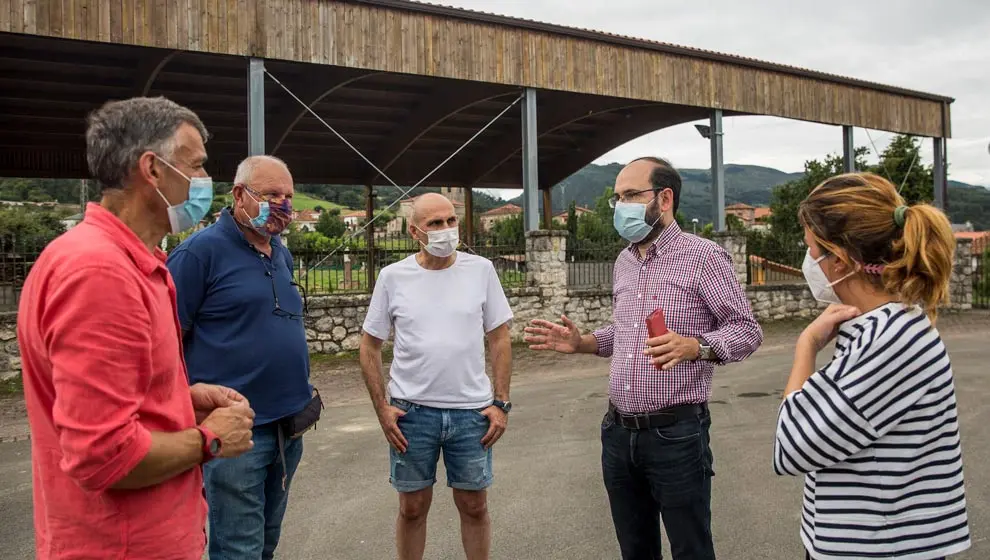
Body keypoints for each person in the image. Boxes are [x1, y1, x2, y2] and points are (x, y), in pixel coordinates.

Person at [16, 96, 256, 560]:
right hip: (123, 544)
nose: (207, 181)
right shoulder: (100, 273)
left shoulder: (123, 260)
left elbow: (101, 402)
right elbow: (104, 455)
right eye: (198, 165)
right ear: (152, 170)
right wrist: (211, 438)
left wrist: (179, 401)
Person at [523, 157, 763, 560]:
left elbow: (747, 329)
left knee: (691, 549)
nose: (621, 206)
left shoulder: (703, 258)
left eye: (632, 195)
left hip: (676, 434)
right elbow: (626, 334)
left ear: (665, 199)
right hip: (617, 434)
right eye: (618, 198)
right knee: (635, 549)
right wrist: (582, 343)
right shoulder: (625, 261)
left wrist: (696, 347)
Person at [773, 172, 971, 560]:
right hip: (869, 542)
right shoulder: (881, 327)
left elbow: (792, 446)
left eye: (811, 247)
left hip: (880, 548)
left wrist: (806, 347)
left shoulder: (890, 340)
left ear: (840, 259)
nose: (808, 258)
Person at [166, 154, 316, 560]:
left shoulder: (279, 251)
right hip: (236, 435)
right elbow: (163, 344)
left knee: (265, 541)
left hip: (288, 426)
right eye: (271, 194)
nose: (283, 203)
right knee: (238, 550)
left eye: (288, 195)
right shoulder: (198, 254)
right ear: (239, 194)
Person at [359, 193, 514, 560]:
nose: (447, 230)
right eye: (435, 224)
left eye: (451, 221)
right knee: (412, 508)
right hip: (412, 414)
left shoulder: (481, 270)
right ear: (415, 231)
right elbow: (369, 346)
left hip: (472, 414)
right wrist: (382, 408)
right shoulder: (393, 277)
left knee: (474, 506)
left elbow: (500, 338)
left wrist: (501, 403)